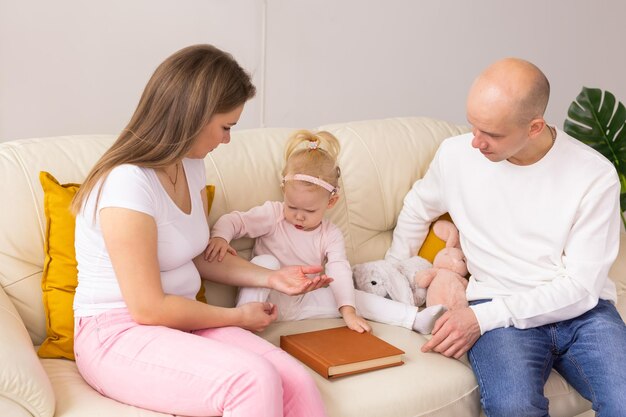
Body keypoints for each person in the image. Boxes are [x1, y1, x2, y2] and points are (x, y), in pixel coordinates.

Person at [71, 44, 333, 417]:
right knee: (251, 380)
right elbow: (147, 308)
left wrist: (275, 278)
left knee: (297, 382)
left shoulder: (190, 165)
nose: (227, 140)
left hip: (180, 323)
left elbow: (196, 254)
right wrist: (237, 318)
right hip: (117, 333)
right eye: (226, 126)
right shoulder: (127, 183)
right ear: (192, 116)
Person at [385, 57, 626, 416]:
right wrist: (394, 277)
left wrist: (484, 318)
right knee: (513, 407)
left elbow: (581, 287)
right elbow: (418, 207)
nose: (475, 143)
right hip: (497, 306)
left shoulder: (593, 175)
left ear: (534, 127)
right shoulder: (455, 156)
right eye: (473, 127)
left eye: (492, 134)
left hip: (582, 314)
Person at [206, 129, 445, 334]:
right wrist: (220, 236)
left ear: (330, 203)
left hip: (304, 301)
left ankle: (414, 319)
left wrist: (348, 312)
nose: (298, 215)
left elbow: (339, 269)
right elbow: (234, 221)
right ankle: (242, 326)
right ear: (283, 191)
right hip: (269, 298)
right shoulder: (274, 214)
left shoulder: (330, 234)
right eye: (292, 206)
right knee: (266, 262)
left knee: (351, 297)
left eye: (309, 210)